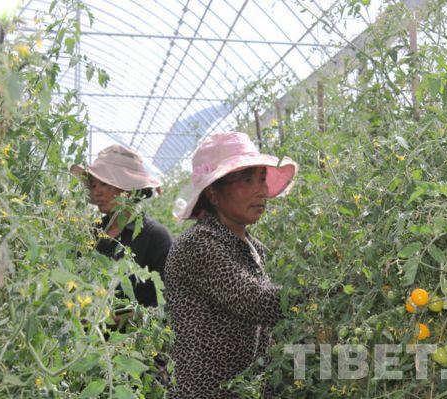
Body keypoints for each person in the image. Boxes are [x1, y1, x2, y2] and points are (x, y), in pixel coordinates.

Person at [165, 132, 298, 398]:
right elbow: (255, 301)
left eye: (262, 179)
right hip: (207, 391)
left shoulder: (251, 245)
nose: (261, 190)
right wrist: (326, 291)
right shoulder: (199, 244)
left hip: (244, 388)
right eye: (247, 180)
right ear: (213, 193)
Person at [71, 145, 172, 326]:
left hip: (133, 346)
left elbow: (169, 301)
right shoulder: (91, 232)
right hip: (88, 342)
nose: (97, 191)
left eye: (105, 184)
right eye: (93, 185)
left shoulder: (154, 236)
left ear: (128, 189)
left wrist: (127, 318)